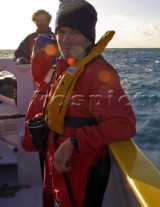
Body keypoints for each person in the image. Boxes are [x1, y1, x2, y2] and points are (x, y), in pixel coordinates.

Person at [22, 0, 136, 206]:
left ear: (88, 37)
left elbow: (123, 124)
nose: (65, 40)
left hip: (81, 174)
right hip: (57, 169)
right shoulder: (63, 67)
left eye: (74, 32)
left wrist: (72, 143)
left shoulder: (97, 73)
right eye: (61, 32)